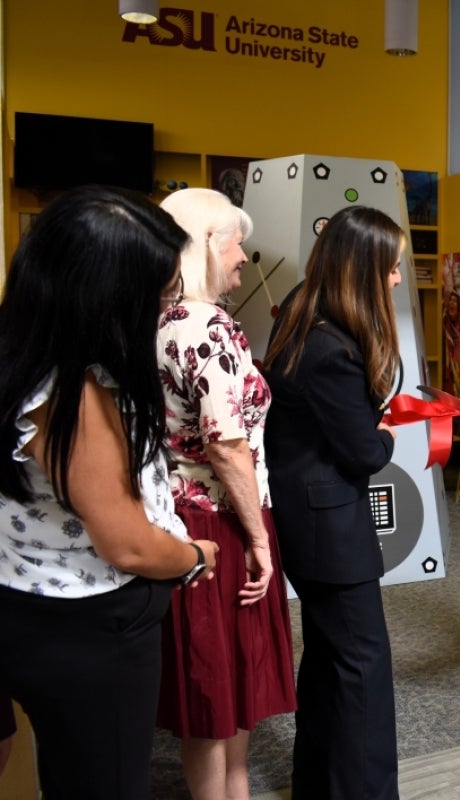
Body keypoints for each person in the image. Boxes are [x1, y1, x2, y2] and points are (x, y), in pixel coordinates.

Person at [0, 186, 219, 799]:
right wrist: (195, 557)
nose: (165, 307)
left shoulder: (24, 350)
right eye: (156, 294)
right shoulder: (71, 399)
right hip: (86, 631)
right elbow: (127, 546)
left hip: (27, 597)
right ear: (101, 299)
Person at [156, 188, 297, 800]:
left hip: (183, 518)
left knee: (217, 689)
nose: (245, 256)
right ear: (207, 245)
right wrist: (261, 541)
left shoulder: (159, 319)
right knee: (218, 688)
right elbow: (226, 444)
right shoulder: (206, 325)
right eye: (236, 241)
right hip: (222, 524)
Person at [262, 205, 404, 799]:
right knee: (363, 674)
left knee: (327, 665)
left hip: (309, 519)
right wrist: (386, 435)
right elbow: (364, 452)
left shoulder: (300, 309)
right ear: (364, 269)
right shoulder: (330, 350)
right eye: (392, 269)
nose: (397, 280)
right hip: (328, 530)